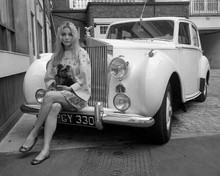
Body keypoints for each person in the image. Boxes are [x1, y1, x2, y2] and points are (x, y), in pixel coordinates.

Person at [19, 21, 91, 165]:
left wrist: (70, 88)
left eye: (70, 34)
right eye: (63, 34)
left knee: (49, 96)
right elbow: (49, 77)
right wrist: (54, 86)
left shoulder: (81, 53)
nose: (66, 37)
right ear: (60, 36)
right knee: (54, 107)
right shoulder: (56, 56)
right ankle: (45, 150)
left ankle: (33, 133)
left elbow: (85, 78)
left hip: (78, 96)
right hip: (59, 96)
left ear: (75, 36)